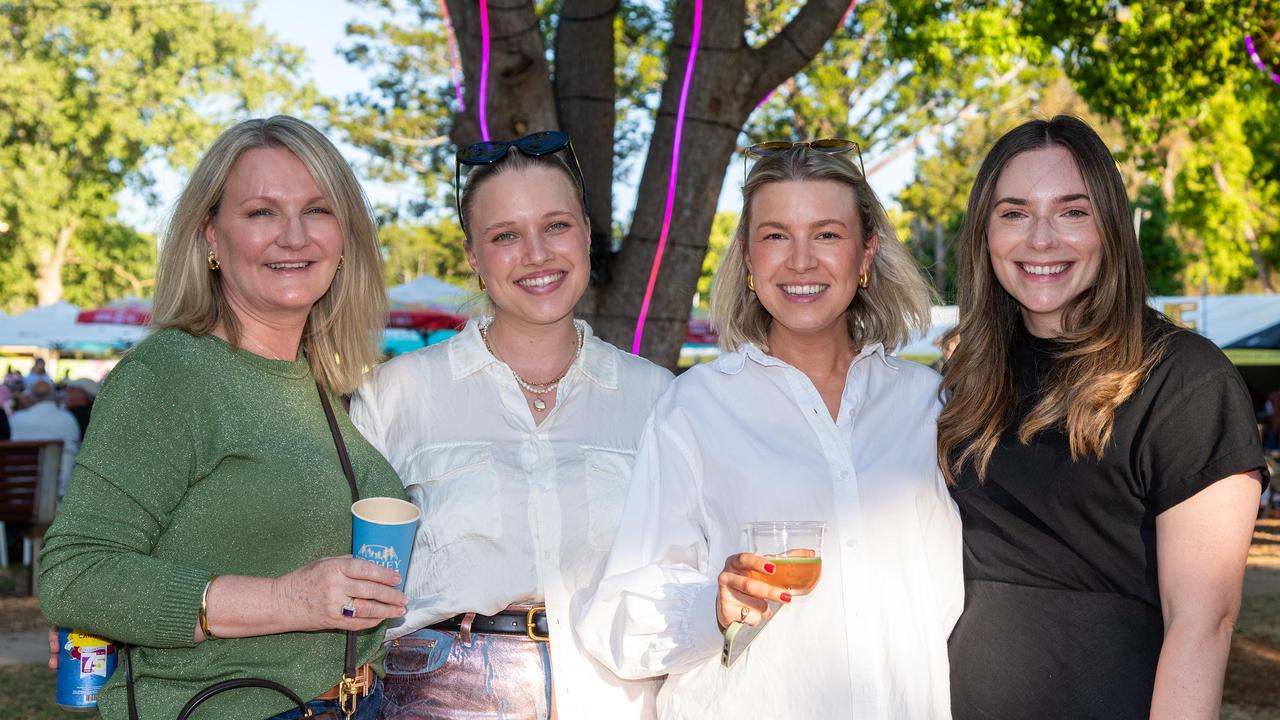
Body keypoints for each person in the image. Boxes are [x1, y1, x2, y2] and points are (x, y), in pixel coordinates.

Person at [39, 116, 407, 720]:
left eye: (317, 210)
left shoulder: (317, 381)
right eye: (261, 212)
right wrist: (286, 600)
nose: (294, 236)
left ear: (345, 238)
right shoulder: (170, 373)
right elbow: (74, 575)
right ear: (210, 236)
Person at [578, 140, 963, 719]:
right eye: (777, 235)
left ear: (866, 255)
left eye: (828, 235)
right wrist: (714, 605)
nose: (801, 260)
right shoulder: (697, 408)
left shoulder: (928, 406)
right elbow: (620, 614)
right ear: (748, 258)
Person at [940, 116, 1268, 720]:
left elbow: (1204, 624)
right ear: (985, 234)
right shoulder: (970, 380)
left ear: (1110, 229)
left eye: (1072, 211)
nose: (1041, 240)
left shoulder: (1185, 381)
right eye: (1014, 213)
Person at [349, 131, 672, 719]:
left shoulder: (660, 398)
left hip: (618, 692)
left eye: (556, 226)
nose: (537, 254)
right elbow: (352, 573)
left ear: (588, 235)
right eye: (505, 236)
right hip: (442, 689)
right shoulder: (395, 395)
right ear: (473, 256)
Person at [9, 381, 80, 498]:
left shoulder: (15, 420)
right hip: (58, 496)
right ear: (54, 396)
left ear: (30, 397)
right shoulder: (68, 420)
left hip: (18, 493)